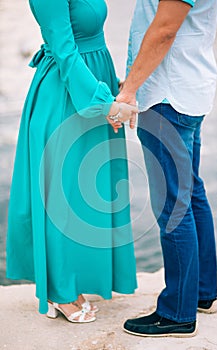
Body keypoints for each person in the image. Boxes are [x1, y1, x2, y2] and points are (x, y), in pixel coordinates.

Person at [6, 0, 138, 323]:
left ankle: (77, 277)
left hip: (92, 83)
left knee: (87, 193)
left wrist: (111, 87)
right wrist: (103, 102)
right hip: (65, 96)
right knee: (62, 194)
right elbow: (65, 51)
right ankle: (60, 290)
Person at [115, 0, 217, 337]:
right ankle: (201, 293)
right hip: (187, 90)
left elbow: (164, 31)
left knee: (173, 204)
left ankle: (177, 312)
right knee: (191, 192)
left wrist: (129, 90)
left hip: (167, 97)